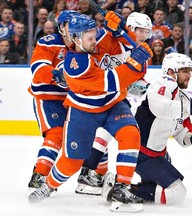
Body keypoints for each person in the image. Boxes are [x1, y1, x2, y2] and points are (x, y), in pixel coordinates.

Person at [28, 12, 153, 212]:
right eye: (90, 38)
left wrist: (120, 29)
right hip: (84, 111)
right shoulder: (75, 65)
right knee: (72, 163)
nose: (96, 40)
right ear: (76, 39)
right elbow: (115, 80)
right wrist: (137, 63)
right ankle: (48, 185)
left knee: (130, 133)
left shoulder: (96, 39)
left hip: (113, 103)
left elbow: (122, 46)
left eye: (95, 35)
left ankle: (122, 187)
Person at [103, 53, 192, 205]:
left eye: (190, 71)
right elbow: (160, 108)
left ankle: (122, 186)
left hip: (157, 155)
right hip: (142, 155)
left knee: (170, 187)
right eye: (185, 71)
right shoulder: (160, 85)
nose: (189, 75)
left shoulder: (183, 97)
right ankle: (119, 191)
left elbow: (181, 132)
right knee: (177, 193)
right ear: (170, 72)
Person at [75, 11, 153, 196]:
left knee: (110, 133)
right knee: (104, 133)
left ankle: (89, 173)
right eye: (141, 31)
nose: (144, 37)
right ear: (131, 28)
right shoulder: (106, 39)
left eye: (147, 33)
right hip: (92, 93)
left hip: (115, 97)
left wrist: (145, 87)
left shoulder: (140, 53)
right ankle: (88, 172)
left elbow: (133, 83)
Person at [27, 10, 80, 191]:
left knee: (90, 134)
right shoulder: (48, 43)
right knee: (56, 134)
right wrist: (57, 75)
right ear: (62, 28)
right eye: (71, 25)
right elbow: (38, 69)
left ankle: (92, 175)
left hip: (74, 100)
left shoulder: (85, 45)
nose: (75, 29)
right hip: (47, 96)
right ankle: (39, 175)